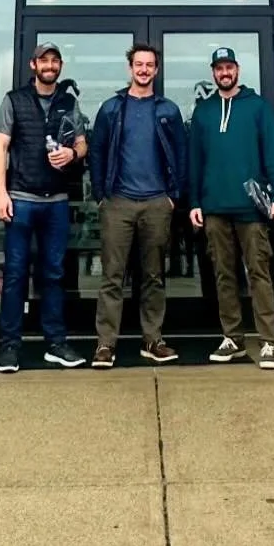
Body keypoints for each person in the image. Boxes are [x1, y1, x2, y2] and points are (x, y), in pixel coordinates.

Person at [0, 42, 88, 373]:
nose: (49, 65)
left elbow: (82, 143)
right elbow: (0, 148)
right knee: (16, 274)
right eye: (43, 60)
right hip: (21, 200)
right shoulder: (14, 99)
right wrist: (1, 193)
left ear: (60, 66)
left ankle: (56, 344)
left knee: (54, 274)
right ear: (33, 65)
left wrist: (72, 154)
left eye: (54, 60)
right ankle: (9, 346)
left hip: (56, 202)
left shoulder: (68, 102)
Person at [188, 45, 274, 370]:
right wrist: (194, 201)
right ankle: (232, 338)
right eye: (219, 68)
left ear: (237, 70)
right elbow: (194, 161)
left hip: (251, 209)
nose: (224, 73)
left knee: (259, 274)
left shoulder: (257, 107)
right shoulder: (203, 111)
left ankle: (268, 341)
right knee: (224, 275)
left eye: (229, 67)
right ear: (213, 72)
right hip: (214, 208)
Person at [88, 42, 187, 367]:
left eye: (149, 65)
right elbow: (97, 152)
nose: (144, 70)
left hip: (157, 203)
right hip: (118, 202)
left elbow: (181, 155)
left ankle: (152, 340)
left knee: (154, 276)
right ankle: (105, 345)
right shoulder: (112, 109)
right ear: (130, 68)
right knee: (112, 276)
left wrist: (173, 196)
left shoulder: (168, 110)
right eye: (138, 64)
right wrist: (101, 195)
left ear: (156, 70)